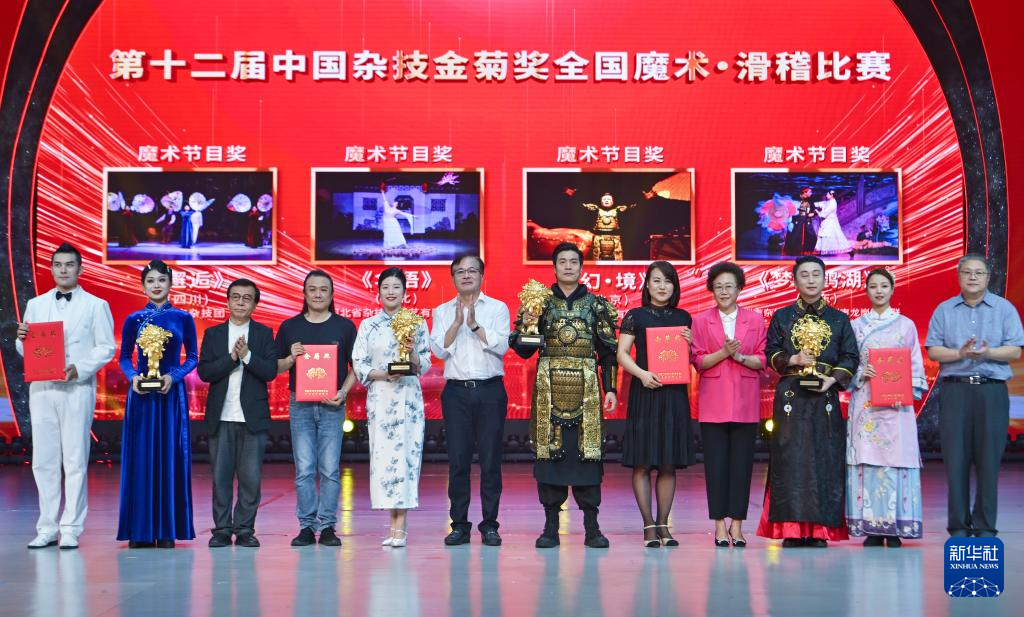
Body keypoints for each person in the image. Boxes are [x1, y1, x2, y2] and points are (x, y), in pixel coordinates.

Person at [510, 242, 619, 548]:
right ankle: (550, 527)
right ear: (554, 267)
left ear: (581, 267)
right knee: (550, 452)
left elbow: (608, 353)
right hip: (549, 389)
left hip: (588, 391)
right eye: (562, 261)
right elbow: (523, 351)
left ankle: (592, 527)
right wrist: (527, 328)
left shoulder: (597, 305)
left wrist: (610, 388)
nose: (568, 266)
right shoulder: (538, 303)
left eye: (573, 261)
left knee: (587, 453)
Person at [16, 244, 116, 549]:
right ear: (51, 268)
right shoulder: (35, 304)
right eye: (58, 264)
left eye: (69, 264)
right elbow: (27, 349)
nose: (63, 269)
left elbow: (106, 347)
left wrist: (80, 368)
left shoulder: (96, 305)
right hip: (42, 389)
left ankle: (71, 527)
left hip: (76, 389)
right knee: (44, 460)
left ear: (79, 269)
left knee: (74, 459)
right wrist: (21, 339)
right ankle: (47, 527)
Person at [756, 256, 859, 547]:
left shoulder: (839, 319)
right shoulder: (782, 316)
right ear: (795, 280)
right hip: (791, 396)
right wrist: (793, 359)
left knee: (824, 460)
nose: (811, 280)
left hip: (825, 395)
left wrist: (833, 379)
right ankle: (790, 530)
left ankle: (819, 531)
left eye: (816, 274)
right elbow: (770, 353)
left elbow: (850, 356)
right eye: (805, 274)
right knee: (789, 461)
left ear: (825, 279)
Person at [925, 254, 1024, 537]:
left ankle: (985, 525)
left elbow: (1015, 350)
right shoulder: (944, 310)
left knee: (989, 460)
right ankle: (958, 524)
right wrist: (960, 353)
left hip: (992, 391)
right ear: (959, 276)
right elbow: (933, 350)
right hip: (955, 390)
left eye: (978, 273)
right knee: (955, 459)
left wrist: (988, 352)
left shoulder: (1004, 309)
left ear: (988, 277)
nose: (972, 277)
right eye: (967, 272)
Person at [429, 254, 511, 547]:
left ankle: (490, 525)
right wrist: (455, 325)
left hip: (490, 391)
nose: (466, 275)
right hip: (456, 394)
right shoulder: (442, 311)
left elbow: (502, 346)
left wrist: (475, 326)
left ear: (481, 276)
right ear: (453, 278)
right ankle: (459, 525)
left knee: (490, 461)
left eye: (472, 271)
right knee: (458, 461)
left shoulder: (498, 308)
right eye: (460, 271)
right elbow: (438, 350)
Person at [117, 259, 198, 548]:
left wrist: (173, 377)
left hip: (170, 395)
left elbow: (193, 357)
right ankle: (139, 531)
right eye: (150, 281)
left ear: (170, 284)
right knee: (140, 458)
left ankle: (166, 530)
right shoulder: (133, 319)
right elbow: (125, 357)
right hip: (141, 396)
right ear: (143, 286)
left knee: (170, 455)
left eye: (161, 280)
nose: (156, 285)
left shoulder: (183, 318)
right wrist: (133, 378)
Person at [276, 270, 358, 547]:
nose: (318, 294)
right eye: (312, 289)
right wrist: (291, 358)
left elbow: (357, 367)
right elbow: (275, 367)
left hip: (332, 406)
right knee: (304, 469)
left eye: (324, 289)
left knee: (330, 469)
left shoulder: (344, 327)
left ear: (332, 294)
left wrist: (342, 393)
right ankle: (307, 527)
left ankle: (328, 527)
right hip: (300, 405)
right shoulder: (289, 327)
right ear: (304, 293)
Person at [846, 269, 927, 547]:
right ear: (866, 290)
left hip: (896, 406)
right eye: (873, 286)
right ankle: (872, 528)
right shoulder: (855, 326)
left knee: (896, 461)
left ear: (892, 289)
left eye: (884, 286)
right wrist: (861, 373)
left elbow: (915, 365)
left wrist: (904, 389)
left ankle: (895, 528)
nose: (879, 291)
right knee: (868, 461)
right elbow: (848, 364)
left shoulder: (906, 325)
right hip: (866, 403)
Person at [616, 261, 694, 548]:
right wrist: (642, 374)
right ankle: (648, 525)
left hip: (674, 396)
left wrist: (691, 343)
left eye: (668, 281)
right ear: (647, 284)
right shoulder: (634, 316)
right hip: (645, 392)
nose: (662, 286)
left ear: (675, 286)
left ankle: (664, 524)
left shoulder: (684, 317)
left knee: (668, 462)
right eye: (656, 280)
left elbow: (685, 357)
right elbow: (622, 353)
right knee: (643, 461)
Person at [353, 267, 431, 547]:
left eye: (396, 287)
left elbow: (425, 362)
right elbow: (359, 363)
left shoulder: (416, 323)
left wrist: (411, 350)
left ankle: (401, 529)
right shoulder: (368, 325)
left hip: (409, 399)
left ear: (405, 292)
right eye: (385, 287)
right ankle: (392, 526)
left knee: (407, 460)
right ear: (378, 292)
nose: (390, 291)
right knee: (385, 461)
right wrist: (385, 374)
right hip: (381, 398)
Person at [197, 279, 278, 548]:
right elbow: (205, 372)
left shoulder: (264, 333)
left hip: (252, 417)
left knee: (250, 480)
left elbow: (270, 371)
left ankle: (244, 530)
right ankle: (221, 530)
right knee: (220, 478)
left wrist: (248, 356)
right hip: (221, 416)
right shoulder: (214, 334)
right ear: (228, 301)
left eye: (247, 298)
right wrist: (232, 358)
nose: (240, 302)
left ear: (255, 304)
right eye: (235, 297)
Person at [691, 261, 766, 548]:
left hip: (745, 402)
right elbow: (698, 360)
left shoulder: (755, 319)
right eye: (718, 286)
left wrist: (741, 357)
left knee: (742, 467)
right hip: (714, 403)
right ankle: (719, 525)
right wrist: (724, 352)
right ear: (712, 289)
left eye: (729, 286)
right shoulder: (700, 320)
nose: (724, 291)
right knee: (716, 467)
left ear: (739, 289)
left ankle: (737, 525)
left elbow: (763, 359)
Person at [814, 191, 852, 256]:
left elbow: (823, 214)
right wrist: (813, 204)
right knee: (825, 236)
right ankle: (823, 251)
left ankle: (849, 250)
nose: (826, 195)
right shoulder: (829, 202)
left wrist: (816, 211)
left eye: (828, 194)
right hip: (826, 222)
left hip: (831, 223)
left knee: (835, 237)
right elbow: (822, 204)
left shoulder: (833, 204)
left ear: (832, 195)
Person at [784, 187, 819, 256]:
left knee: (812, 236)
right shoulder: (797, 199)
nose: (811, 193)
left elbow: (813, 210)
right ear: (805, 192)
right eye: (810, 192)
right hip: (797, 221)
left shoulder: (810, 200)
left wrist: (813, 213)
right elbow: (793, 210)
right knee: (795, 236)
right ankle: (794, 251)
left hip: (807, 220)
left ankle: (807, 251)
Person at [380, 187, 414, 252]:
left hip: (393, 222)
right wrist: (382, 193)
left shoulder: (396, 210)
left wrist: (413, 216)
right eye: (395, 202)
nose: (395, 203)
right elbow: (385, 200)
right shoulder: (387, 207)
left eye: (396, 203)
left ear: (397, 205)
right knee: (388, 233)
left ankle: (400, 244)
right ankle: (390, 245)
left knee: (396, 233)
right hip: (388, 222)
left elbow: (405, 214)